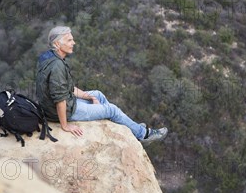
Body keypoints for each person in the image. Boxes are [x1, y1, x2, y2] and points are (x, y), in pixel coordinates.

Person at [35, 26, 168, 144]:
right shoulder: (57, 66)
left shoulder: (48, 57)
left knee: (97, 94)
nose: (73, 43)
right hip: (62, 111)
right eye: (69, 40)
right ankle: (143, 134)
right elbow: (60, 99)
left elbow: (66, 89)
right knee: (112, 109)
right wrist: (65, 126)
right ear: (57, 44)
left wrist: (88, 96)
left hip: (56, 105)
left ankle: (130, 127)